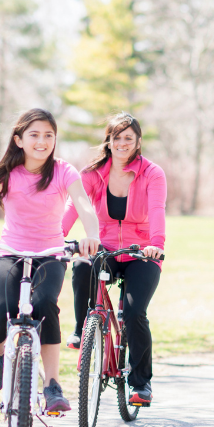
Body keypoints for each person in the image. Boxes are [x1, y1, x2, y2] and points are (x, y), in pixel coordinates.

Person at [0, 108, 101, 413]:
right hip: (11, 252)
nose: (42, 141)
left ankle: (52, 385)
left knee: (45, 306)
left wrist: (92, 234)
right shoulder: (8, 174)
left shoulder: (64, 171)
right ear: (19, 140)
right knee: (1, 308)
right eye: (34, 135)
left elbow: (84, 206)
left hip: (50, 254)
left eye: (48, 135)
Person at [62, 112, 166, 407]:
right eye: (116, 137)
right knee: (82, 264)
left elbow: (157, 210)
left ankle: (141, 383)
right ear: (108, 140)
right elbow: (72, 208)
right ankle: (83, 328)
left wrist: (155, 245)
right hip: (103, 247)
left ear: (138, 141)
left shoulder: (151, 173)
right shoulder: (92, 174)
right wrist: (56, 238)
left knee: (135, 314)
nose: (122, 143)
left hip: (141, 252)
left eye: (128, 138)